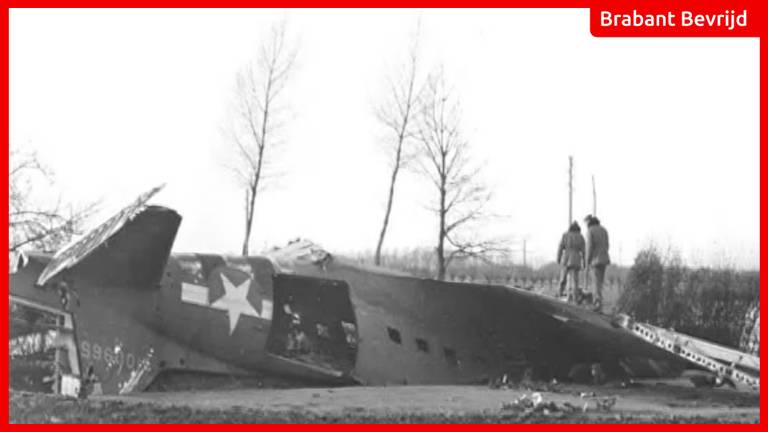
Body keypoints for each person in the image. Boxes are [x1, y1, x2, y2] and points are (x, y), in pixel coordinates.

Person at [584, 215, 611, 312]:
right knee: (600, 282)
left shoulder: (590, 231)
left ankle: (597, 303)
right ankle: (599, 303)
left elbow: (589, 247)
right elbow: (607, 245)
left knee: (595, 282)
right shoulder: (604, 230)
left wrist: (587, 261)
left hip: (595, 260)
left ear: (589, 223)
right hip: (604, 258)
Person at [557, 221, 586, 303]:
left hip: (566, 258)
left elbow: (560, 247)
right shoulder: (581, 237)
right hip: (576, 259)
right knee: (575, 280)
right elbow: (584, 251)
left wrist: (558, 258)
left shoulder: (565, 235)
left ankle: (560, 294)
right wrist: (584, 262)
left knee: (563, 278)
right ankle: (575, 299)